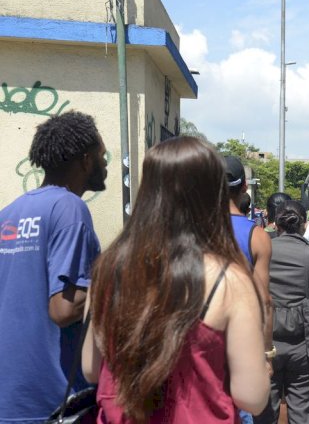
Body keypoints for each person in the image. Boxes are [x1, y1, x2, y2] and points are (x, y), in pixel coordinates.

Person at [81, 137, 270, 422]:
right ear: (213, 195)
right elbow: (252, 398)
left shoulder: (109, 269)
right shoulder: (229, 279)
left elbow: (90, 369)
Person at [0, 111, 107, 423]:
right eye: (101, 156)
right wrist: (113, 279)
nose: (105, 164)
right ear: (85, 161)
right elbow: (63, 309)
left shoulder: (9, 213)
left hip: (11, 398)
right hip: (55, 400)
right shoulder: (70, 208)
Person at [254, 200, 309, 424]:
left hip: (266, 344)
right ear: (303, 225)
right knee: (301, 411)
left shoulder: (263, 251)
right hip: (304, 344)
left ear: (277, 225)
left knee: (264, 413)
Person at [224, 156, 275, 424]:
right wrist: (266, 354)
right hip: (241, 344)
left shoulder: (193, 230)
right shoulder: (257, 236)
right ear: (244, 187)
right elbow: (264, 301)